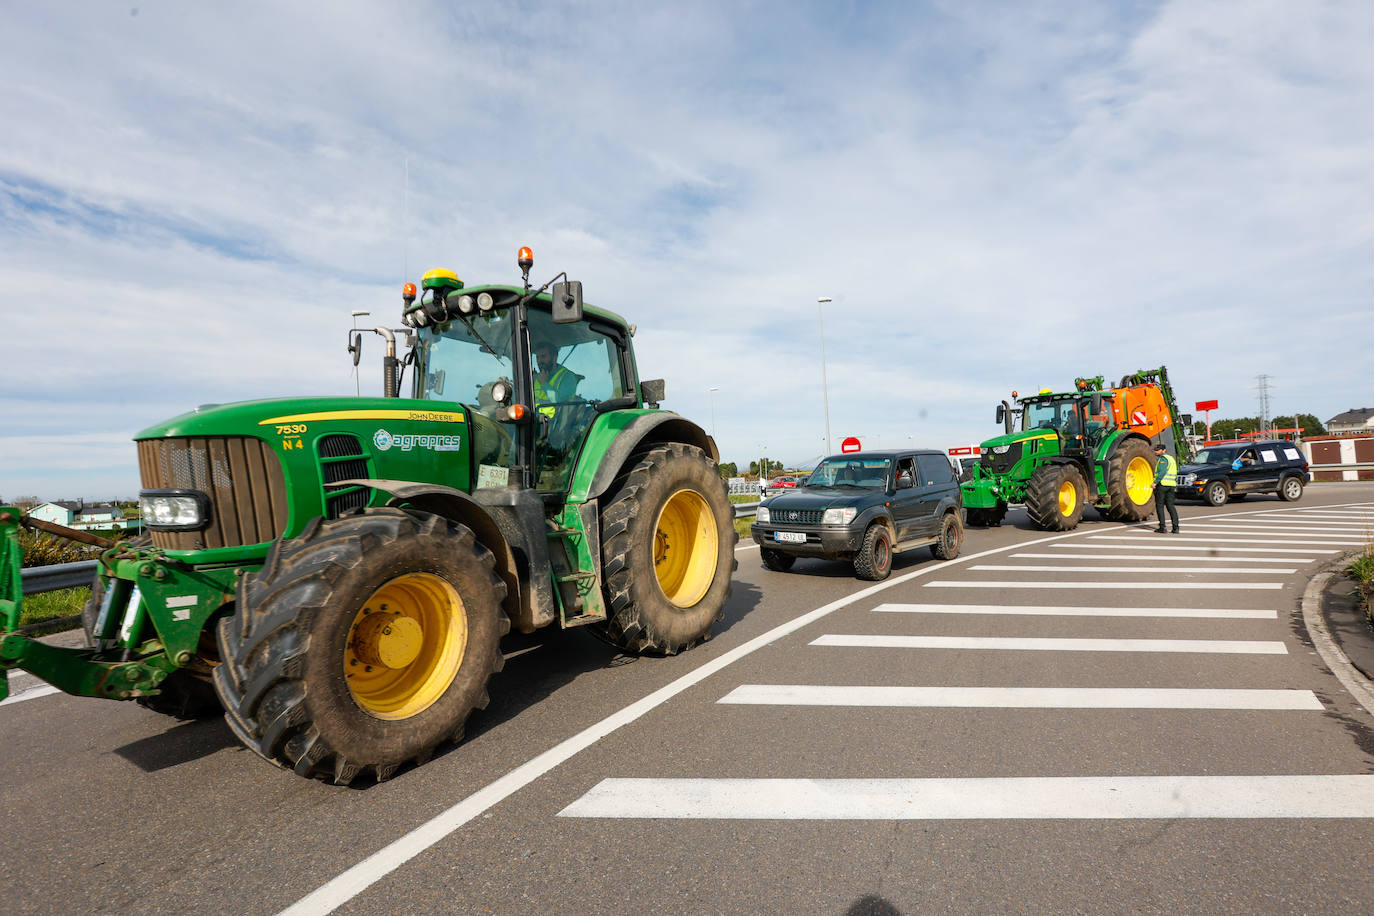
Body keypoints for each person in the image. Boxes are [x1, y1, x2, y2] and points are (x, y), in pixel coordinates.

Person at [532, 339, 579, 418]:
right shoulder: (534, 378)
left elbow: (561, 403)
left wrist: (544, 384)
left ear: (554, 357)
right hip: (533, 421)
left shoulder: (567, 377)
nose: (539, 361)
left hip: (554, 424)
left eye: (543, 356)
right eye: (537, 357)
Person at [1152, 443, 1179, 534]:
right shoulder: (1171, 459)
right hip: (1171, 485)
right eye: (1155, 450)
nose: (1156, 451)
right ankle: (1176, 528)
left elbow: (1162, 471)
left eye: (1158, 450)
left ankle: (1162, 527)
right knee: (1170, 506)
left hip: (1163, 485)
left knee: (1159, 506)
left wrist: (1155, 482)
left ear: (1164, 450)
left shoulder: (1163, 459)